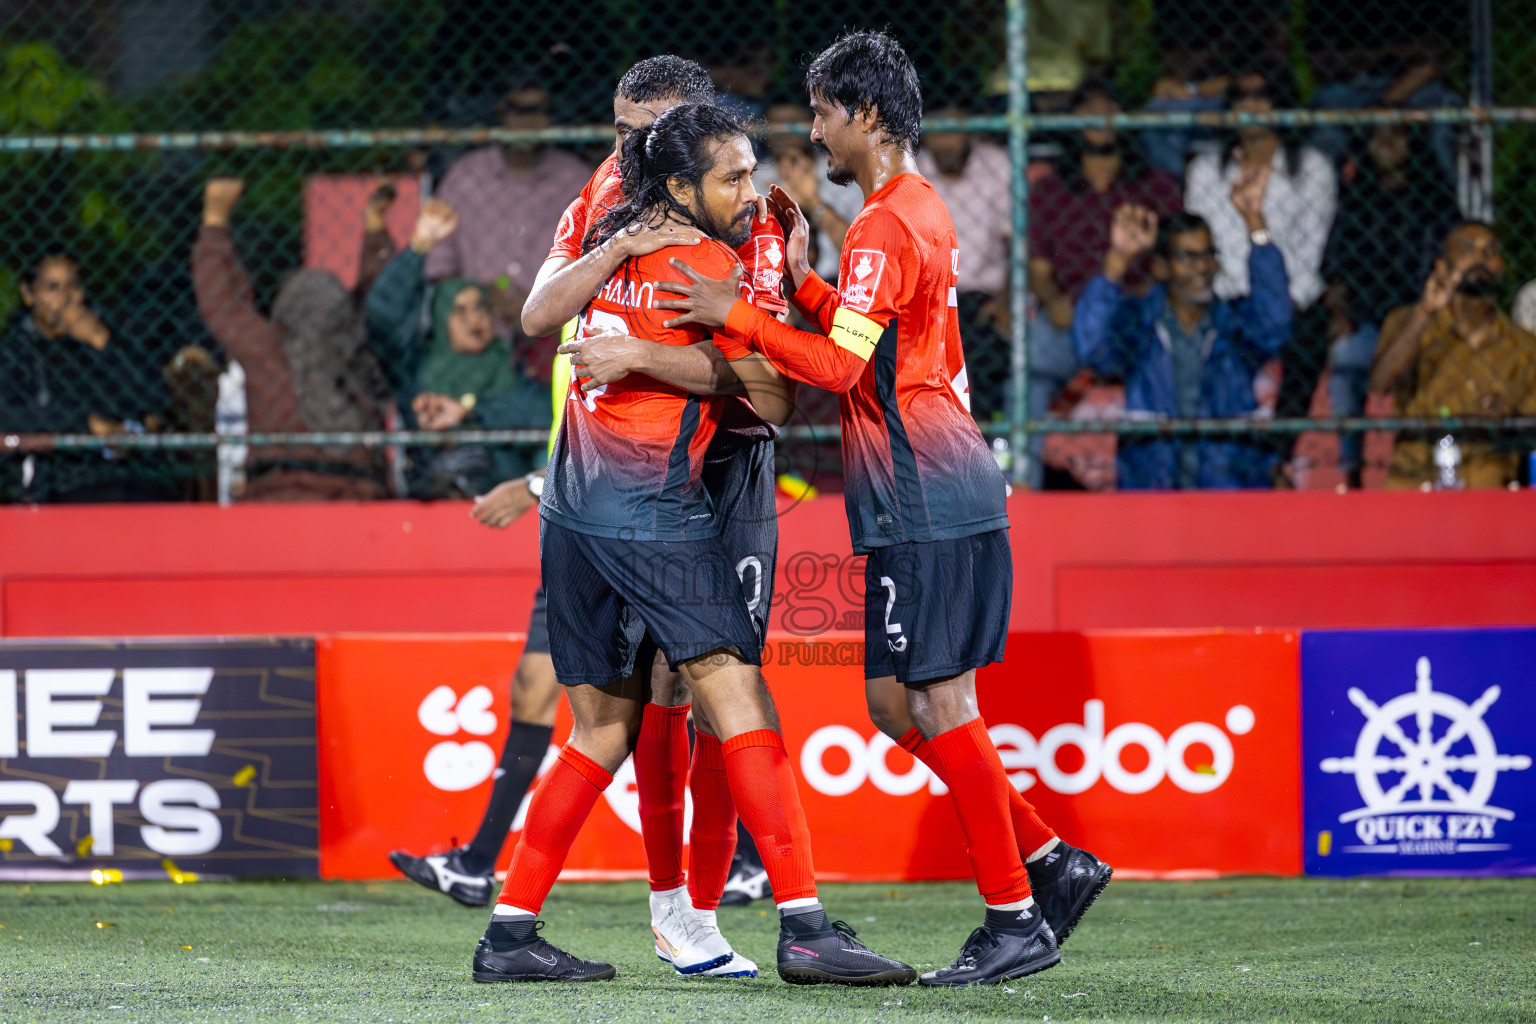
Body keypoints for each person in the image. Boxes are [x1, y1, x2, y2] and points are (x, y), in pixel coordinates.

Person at [655, 31, 1111, 987]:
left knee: (941, 704)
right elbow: (874, 329)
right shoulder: (913, 210)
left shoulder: (884, 224)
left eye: (823, 110)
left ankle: (1014, 913)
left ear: (864, 115)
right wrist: (793, 273)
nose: (814, 128)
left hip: (925, 495)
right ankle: (1049, 861)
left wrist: (735, 311)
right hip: (934, 489)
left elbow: (839, 366)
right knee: (891, 704)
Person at [471, 102, 913, 987]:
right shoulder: (707, 262)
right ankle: (804, 923)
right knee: (739, 695)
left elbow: (541, 314)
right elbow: (778, 402)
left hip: (571, 512)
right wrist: (687, 341)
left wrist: (629, 340)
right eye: (732, 176)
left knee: (600, 727)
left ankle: (510, 934)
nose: (749, 190)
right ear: (680, 182)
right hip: (654, 512)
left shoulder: (606, 229)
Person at [392, 61, 782, 972]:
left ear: (686, 140)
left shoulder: (742, 210)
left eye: (638, 133)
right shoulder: (608, 195)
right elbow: (539, 313)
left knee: (699, 697)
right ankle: (706, 909)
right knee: (655, 704)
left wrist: (649, 350)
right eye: (614, 128)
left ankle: (710, 903)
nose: (620, 149)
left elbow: (772, 387)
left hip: (726, 474)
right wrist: (613, 260)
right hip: (612, 490)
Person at [1071, 179, 1292, 489]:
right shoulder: (1140, 323)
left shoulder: (1235, 323)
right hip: (1153, 485)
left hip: (1229, 482)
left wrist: (1257, 226)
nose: (1201, 267)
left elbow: (1275, 326)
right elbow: (1091, 348)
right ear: (1161, 267)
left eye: (1207, 255)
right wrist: (1117, 261)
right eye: (1187, 257)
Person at [193, 178, 390, 501]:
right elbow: (377, 299)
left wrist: (215, 221)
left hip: (295, 491)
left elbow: (223, 303)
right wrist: (375, 231)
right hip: (328, 492)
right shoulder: (334, 350)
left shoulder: (271, 350)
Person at [1027, 80, 1184, 472]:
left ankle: (1158, 481)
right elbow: (1039, 270)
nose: (1099, 115)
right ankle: (1024, 478)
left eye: (1108, 106)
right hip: (1072, 317)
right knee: (1031, 358)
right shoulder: (1050, 190)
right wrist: (1052, 302)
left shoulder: (1155, 185)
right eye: (1089, 107)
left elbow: (1171, 264)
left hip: (1137, 316)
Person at [366, 198, 547, 498]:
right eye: (459, 311)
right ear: (439, 318)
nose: (474, 318)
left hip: (498, 487)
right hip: (430, 486)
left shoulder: (506, 363)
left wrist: (468, 410)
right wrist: (418, 248)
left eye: (480, 308)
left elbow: (544, 414)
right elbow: (384, 315)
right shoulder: (417, 366)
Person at [1184, 66, 1336, 421]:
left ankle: (1281, 451)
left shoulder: (1312, 169)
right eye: (1241, 96)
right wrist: (1225, 299)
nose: (1251, 105)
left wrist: (1282, 304)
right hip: (1223, 297)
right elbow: (1199, 247)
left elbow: (1312, 251)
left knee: (1307, 340)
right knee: (1217, 340)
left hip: (1289, 298)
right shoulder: (1206, 170)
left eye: (1261, 95)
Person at [1321, 123, 1458, 484]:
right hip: (1368, 319)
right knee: (1346, 357)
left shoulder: (1436, 201)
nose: (1386, 140)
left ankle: (1427, 465)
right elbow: (1335, 269)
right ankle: (1350, 469)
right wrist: (1340, 317)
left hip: (1419, 320)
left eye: (1396, 133)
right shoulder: (1357, 200)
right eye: (1376, 133)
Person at [1369, 222, 1536, 490]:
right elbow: (1380, 382)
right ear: (1442, 267)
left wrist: (1507, 416)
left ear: (1501, 267)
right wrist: (1425, 312)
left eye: (1490, 251)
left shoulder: (1525, 346)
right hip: (1415, 477)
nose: (1481, 258)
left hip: (1486, 485)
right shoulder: (1407, 322)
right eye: (1468, 249)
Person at [0, 248, 173, 503]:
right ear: (29, 294)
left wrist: (103, 343)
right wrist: (87, 426)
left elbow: (157, 399)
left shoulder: (102, 340)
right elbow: (13, 415)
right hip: (65, 479)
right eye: (53, 288)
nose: (66, 299)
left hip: (134, 475)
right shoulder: (15, 352)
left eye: (72, 286)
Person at [425, 84, 594, 331]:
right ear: (499, 115)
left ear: (552, 117)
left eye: (537, 110)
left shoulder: (578, 181)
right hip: (477, 331)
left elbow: (599, 262)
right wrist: (480, 297)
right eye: (516, 110)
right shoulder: (465, 176)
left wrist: (543, 304)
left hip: (555, 331)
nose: (527, 122)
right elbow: (438, 264)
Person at [915, 105, 1014, 424]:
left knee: (983, 355)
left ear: (970, 132)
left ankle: (982, 445)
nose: (947, 143)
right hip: (930, 297)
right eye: (939, 132)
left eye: (954, 131)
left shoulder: (996, 164)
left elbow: (1015, 241)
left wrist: (1005, 300)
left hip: (984, 295)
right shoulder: (912, 169)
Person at [752, 104, 860, 283]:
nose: (785, 132)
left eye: (793, 123)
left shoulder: (842, 174)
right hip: (775, 284)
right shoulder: (755, 176)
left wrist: (813, 202)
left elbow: (859, 254)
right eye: (775, 124)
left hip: (836, 282)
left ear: (812, 123)